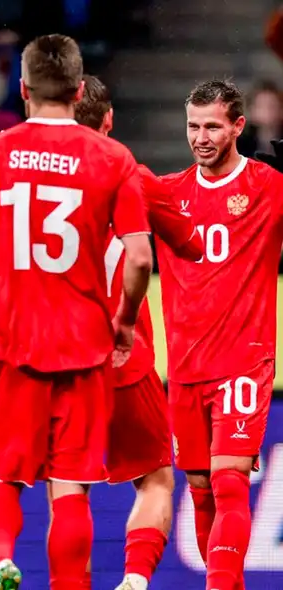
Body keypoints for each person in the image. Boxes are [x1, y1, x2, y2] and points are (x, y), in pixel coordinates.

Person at [0, 35, 153, 590]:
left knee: (0, 477)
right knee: (71, 490)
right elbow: (138, 256)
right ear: (80, 90)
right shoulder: (113, 158)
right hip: (84, 346)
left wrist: (12, 278)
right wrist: (126, 321)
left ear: (23, 89)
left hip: (14, 342)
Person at [71, 75, 202, 590]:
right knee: (155, 480)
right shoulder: (132, 174)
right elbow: (192, 244)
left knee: (68, 488)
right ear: (108, 120)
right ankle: (134, 579)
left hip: (58, 357)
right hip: (126, 359)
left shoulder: (23, 170)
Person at [157, 79, 283, 590]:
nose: (201, 136)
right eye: (193, 125)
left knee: (230, 484)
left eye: (212, 126)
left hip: (244, 360)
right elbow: (99, 184)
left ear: (237, 126)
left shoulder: (270, 186)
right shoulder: (165, 193)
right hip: (185, 366)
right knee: (201, 488)